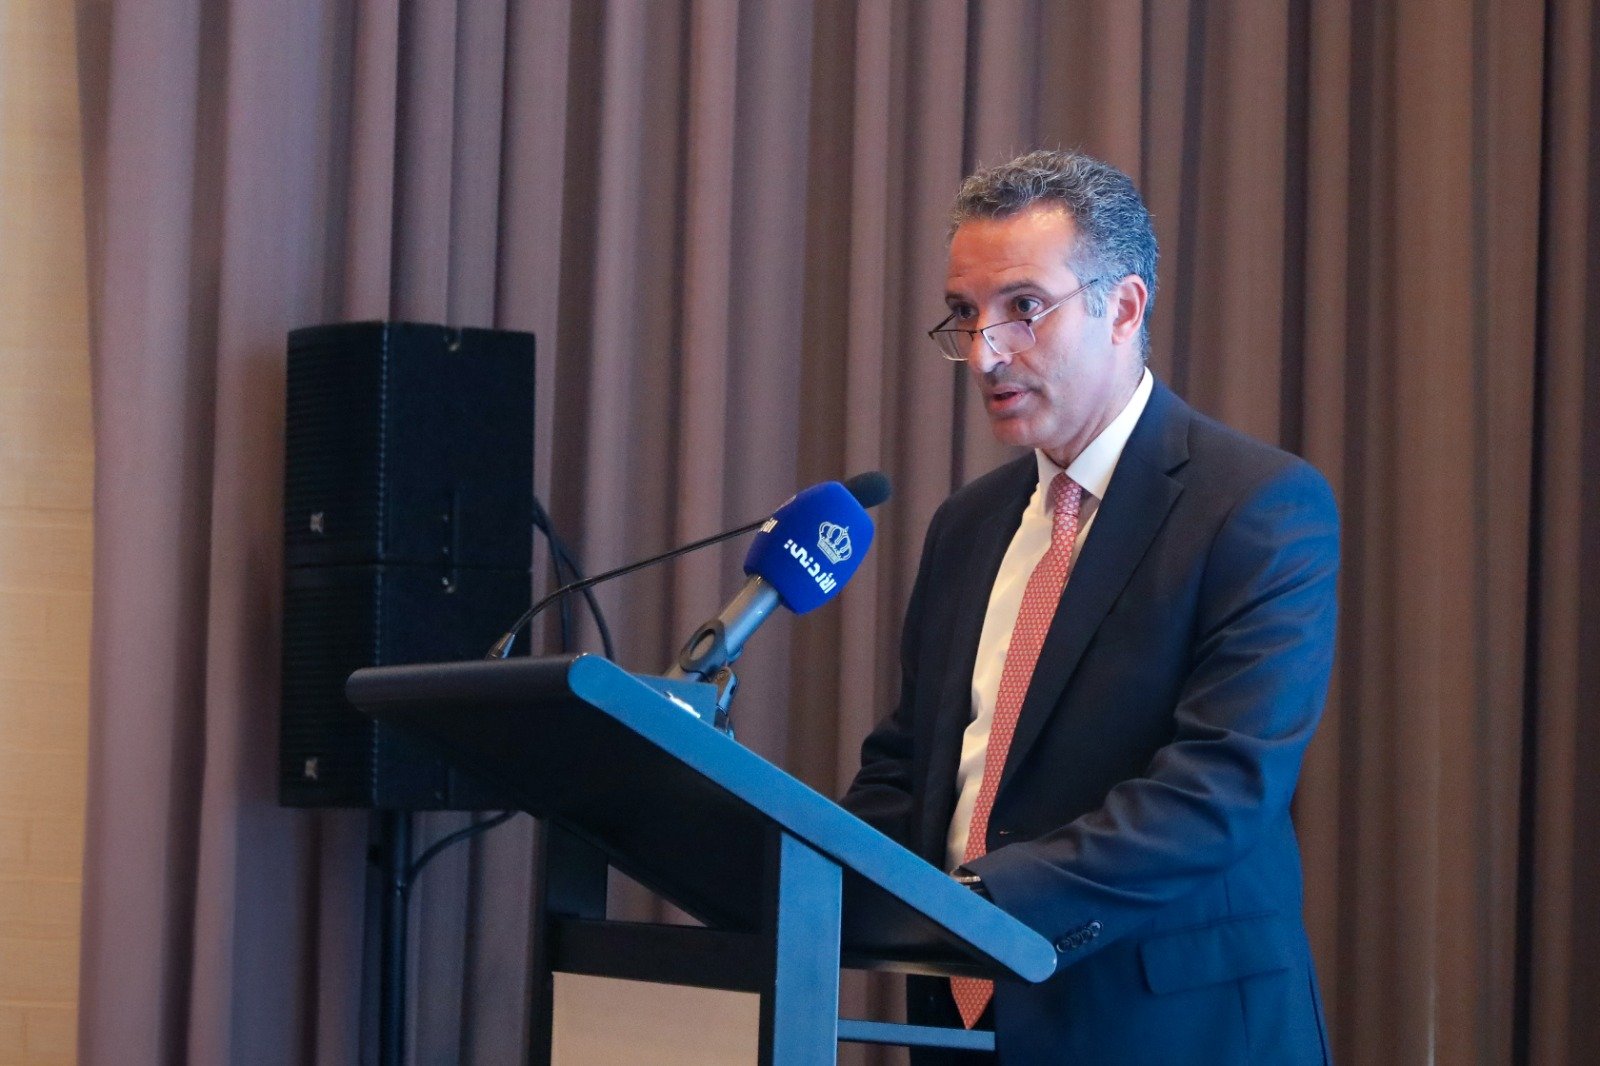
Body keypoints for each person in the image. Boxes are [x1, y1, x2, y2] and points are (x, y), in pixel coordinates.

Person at [842, 149, 1338, 1064]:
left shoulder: (1257, 506)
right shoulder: (969, 524)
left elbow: (1220, 787)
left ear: (1124, 307)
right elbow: (910, 765)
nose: (986, 352)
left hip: (1172, 1030)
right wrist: (801, 875)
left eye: (1024, 307)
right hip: (966, 1025)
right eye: (965, 314)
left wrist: (980, 903)